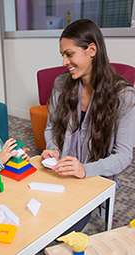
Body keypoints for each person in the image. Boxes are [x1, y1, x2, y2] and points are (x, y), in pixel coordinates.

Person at [41, 19, 135, 233]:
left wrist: (85, 169)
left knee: (60, 230)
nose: (65, 61)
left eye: (69, 53)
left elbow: (123, 155)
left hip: (92, 177)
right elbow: (50, 127)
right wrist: (53, 147)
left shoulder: (124, 95)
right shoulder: (61, 84)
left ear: (92, 49)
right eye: (62, 55)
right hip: (61, 169)